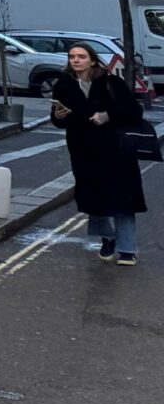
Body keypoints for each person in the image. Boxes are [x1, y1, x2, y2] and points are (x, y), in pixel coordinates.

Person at [50, 41, 145, 266]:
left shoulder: (112, 82)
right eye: (72, 56)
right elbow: (57, 120)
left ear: (92, 59)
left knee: (124, 199)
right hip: (84, 150)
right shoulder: (63, 85)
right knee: (95, 198)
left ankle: (127, 248)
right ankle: (108, 239)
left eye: (81, 56)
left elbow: (134, 111)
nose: (75, 60)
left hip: (116, 149)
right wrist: (60, 116)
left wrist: (107, 116)